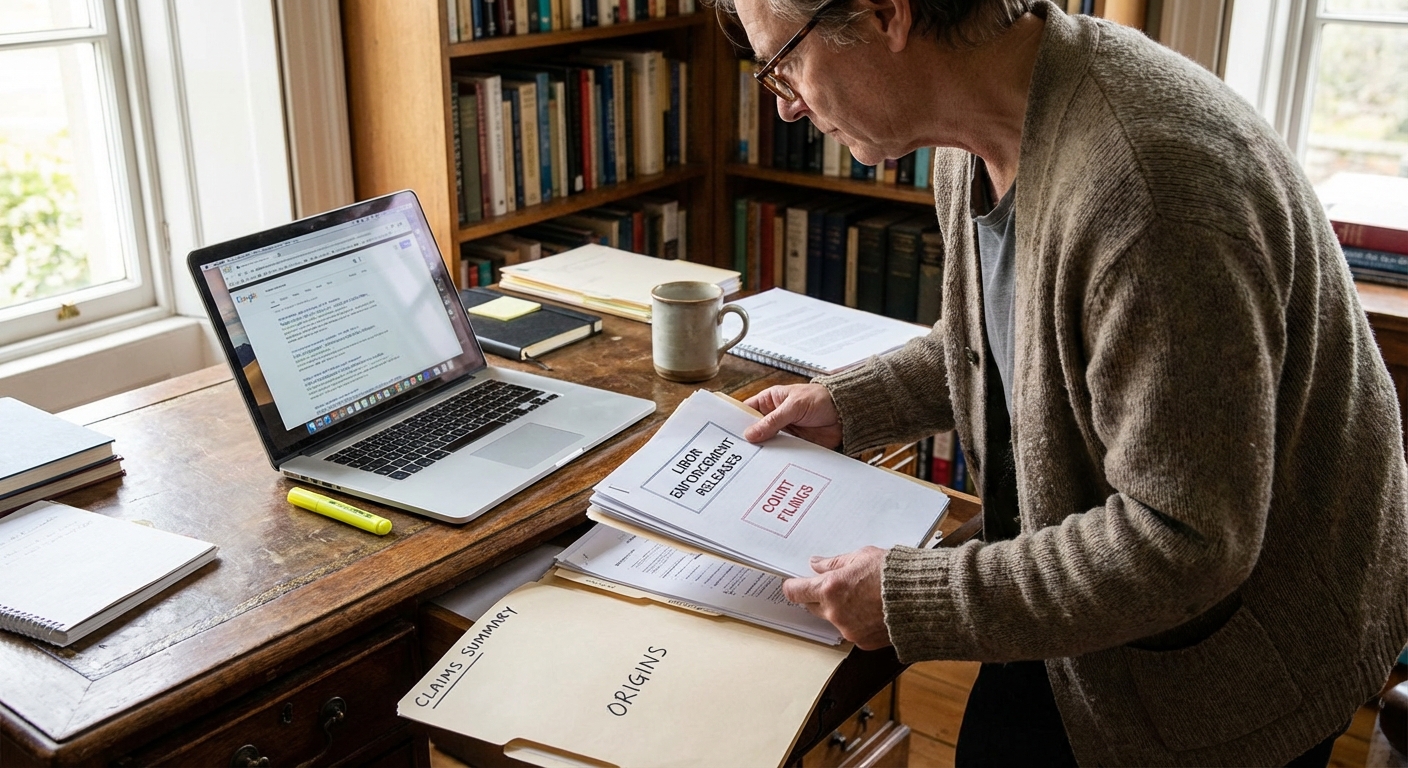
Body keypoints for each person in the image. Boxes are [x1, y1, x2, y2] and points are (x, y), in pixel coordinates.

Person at [720, 0, 1408, 764]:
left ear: (888, 16)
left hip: (1235, 658)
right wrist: (849, 402)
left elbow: (1184, 542)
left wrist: (912, 596)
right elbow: (1024, 331)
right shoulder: (974, 133)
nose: (783, 104)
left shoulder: (1151, 195)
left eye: (784, 63)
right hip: (1095, 591)